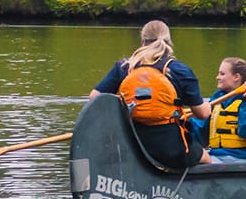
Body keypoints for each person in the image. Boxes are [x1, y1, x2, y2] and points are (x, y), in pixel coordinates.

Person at [89, 19, 209, 168]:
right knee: (206, 157)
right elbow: (202, 114)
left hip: (131, 144)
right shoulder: (180, 70)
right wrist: (207, 106)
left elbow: (95, 99)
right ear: (169, 42)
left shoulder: (124, 67)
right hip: (170, 149)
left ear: (142, 41)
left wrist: (123, 106)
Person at [194, 57, 246, 162]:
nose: (217, 77)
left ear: (236, 77)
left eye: (222, 74)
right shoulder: (217, 98)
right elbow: (200, 130)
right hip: (217, 154)